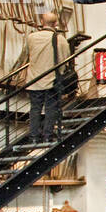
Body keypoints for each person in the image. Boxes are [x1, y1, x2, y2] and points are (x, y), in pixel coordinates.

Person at [23, 11, 67, 144]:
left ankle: (34, 137)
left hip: (34, 80)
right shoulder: (61, 40)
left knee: (35, 109)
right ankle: (47, 136)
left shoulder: (31, 37)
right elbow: (64, 60)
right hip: (52, 80)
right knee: (51, 108)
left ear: (42, 22)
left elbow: (26, 55)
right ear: (55, 24)